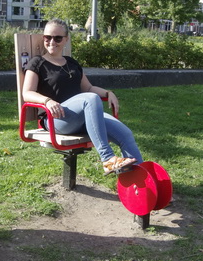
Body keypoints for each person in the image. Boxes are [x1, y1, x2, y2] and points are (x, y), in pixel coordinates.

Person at [22, 18, 143, 175]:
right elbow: (27, 93)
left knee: (125, 134)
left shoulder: (72, 63)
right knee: (90, 99)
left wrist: (108, 93)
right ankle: (107, 158)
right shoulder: (37, 63)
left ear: (66, 39)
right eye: (48, 37)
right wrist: (47, 101)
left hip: (80, 118)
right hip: (55, 119)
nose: (52, 41)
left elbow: (89, 88)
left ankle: (143, 181)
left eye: (57, 38)